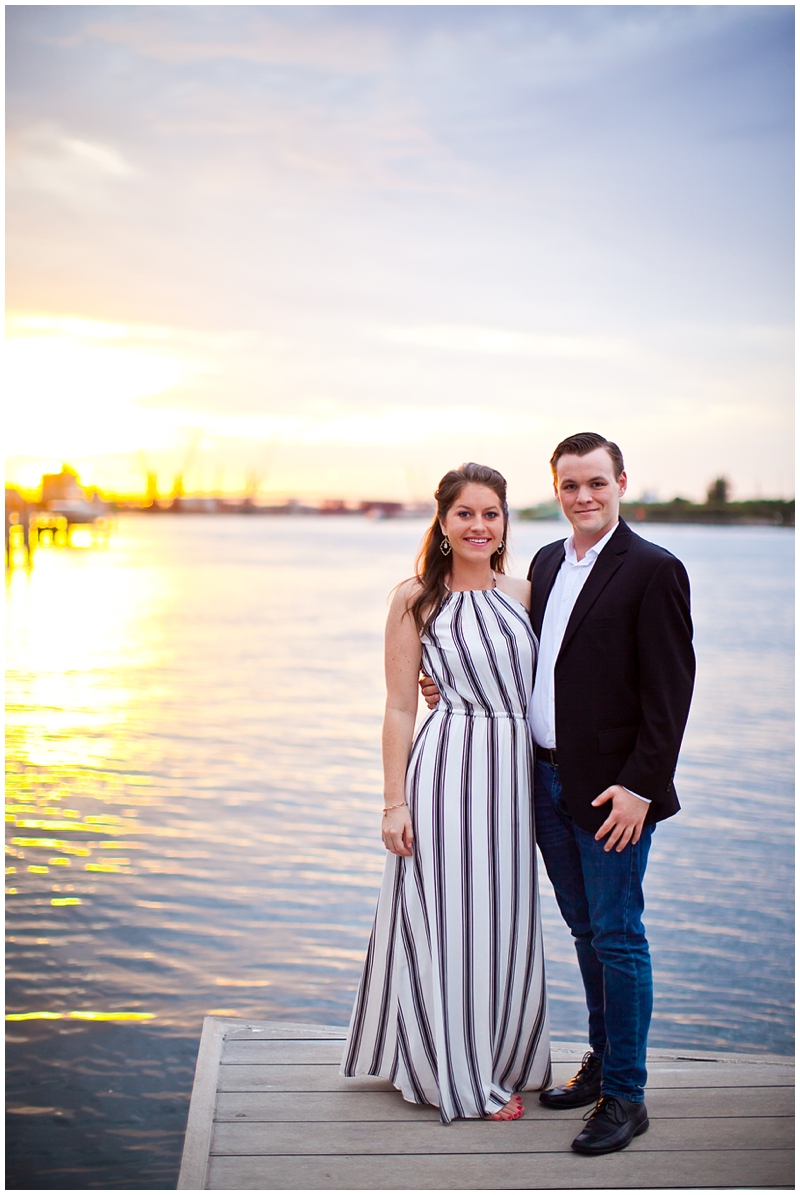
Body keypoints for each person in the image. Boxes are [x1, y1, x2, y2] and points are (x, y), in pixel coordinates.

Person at [421, 432, 695, 1155]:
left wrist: (641, 786)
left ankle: (627, 1096)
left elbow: (670, 695)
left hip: (614, 793)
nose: (583, 496)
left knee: (619, 934)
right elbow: (518, 656)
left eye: (596, 483)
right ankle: (603, 1061)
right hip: (543, 779)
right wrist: (437, 682)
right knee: (584, 931)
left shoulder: (654, 569)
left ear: (620, 482)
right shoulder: (545, 562)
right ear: (556, 490)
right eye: (570, 485)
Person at [341, 463, 551, 1123]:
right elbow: (401, 707)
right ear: (443, 520)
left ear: (504, 521)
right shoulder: (413, 598)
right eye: (466, 513)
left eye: (491, 513)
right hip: (447, 769)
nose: (479, 525)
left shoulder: (526, 593)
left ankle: (503, 1052)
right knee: (450, 918)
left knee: (505, 917)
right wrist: (393, 800)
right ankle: (453, 1071)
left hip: (513, 776)